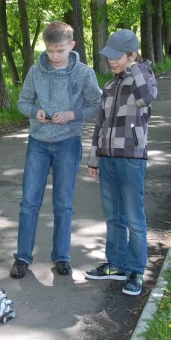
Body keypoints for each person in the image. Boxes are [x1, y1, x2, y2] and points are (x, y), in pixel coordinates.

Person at [10, 21, 102, 279]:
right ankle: (21, 257)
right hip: (38, 143)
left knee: (63, 204)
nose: (55, 56)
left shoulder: (84, 74)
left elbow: (97, 106)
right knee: (29, 202)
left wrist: (73, 114)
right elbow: (23, 102)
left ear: (72, 46)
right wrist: (34, 112)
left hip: (68, 144)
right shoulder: (36, 71)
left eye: (60, 50)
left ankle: (61, 257)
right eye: (50, 51)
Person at [85, 29, 158, 296]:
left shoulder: (143, 78)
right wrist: (95, 158)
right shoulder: (109, 86)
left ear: (131, 55)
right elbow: (99, 125)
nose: (112, 62)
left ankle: (136, 271)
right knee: (114, 217)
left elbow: (146, 98)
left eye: (118, 57)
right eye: (110, 57)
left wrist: (136, 66)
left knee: (134, 218)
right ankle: (116, 265)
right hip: (108, 159)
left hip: (131, 160)